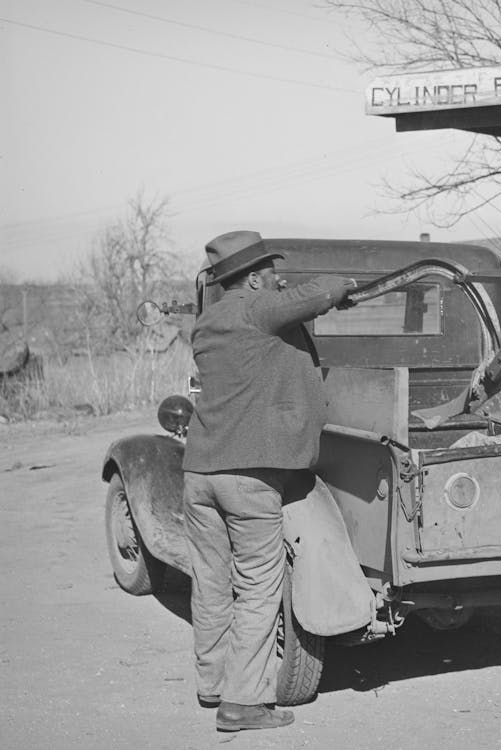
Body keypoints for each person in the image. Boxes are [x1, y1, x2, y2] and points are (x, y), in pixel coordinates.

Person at [181, 230, 354, 732]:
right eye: (271, 273)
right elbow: (312, 295)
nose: (278, 280)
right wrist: (343, 286)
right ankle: (243, 704)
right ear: (253, 278)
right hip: (248, 475)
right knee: (259, 584)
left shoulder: (208, 320)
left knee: (212, 582)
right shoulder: (254, 308)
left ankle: (211, 683)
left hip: (200, 472)